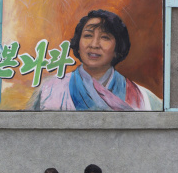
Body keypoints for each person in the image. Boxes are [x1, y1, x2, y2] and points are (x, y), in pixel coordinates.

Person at [29, 9, 162, 111]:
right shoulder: (50, 90)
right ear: (78, 43)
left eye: (105, 37)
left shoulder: (145, 98)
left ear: (118, 48)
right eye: (88, 35)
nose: (94, 44)